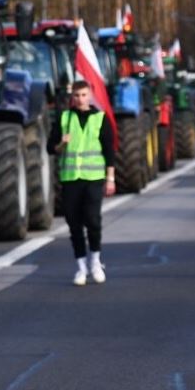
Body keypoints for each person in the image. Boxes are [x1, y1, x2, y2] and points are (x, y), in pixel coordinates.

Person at [52, 80, 117, 286]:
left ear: (90, 96)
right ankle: (81, 267)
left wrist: (110, 178)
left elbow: (109, 151)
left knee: (93, 220)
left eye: (83, 95)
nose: (80, 99)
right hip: (70, 179)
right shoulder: (64, 118)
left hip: (94, 178)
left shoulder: (100, 118)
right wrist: (62, 143)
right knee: (74, 223)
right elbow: (50, 148)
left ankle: (95, 261)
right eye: (77, 96)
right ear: (72, 97)